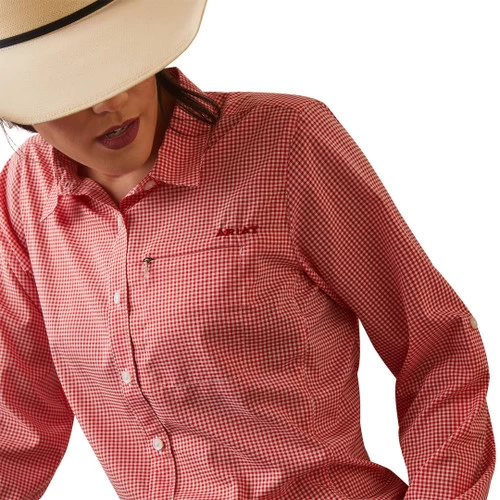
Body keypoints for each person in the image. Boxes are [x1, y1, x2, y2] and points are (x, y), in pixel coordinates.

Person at [0, 1, 495, 499]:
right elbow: (18, 415)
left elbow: (437, 347)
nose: (111, 99)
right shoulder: (26, 194)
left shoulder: (286, 143)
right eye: (70, 86)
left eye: (118, 60)